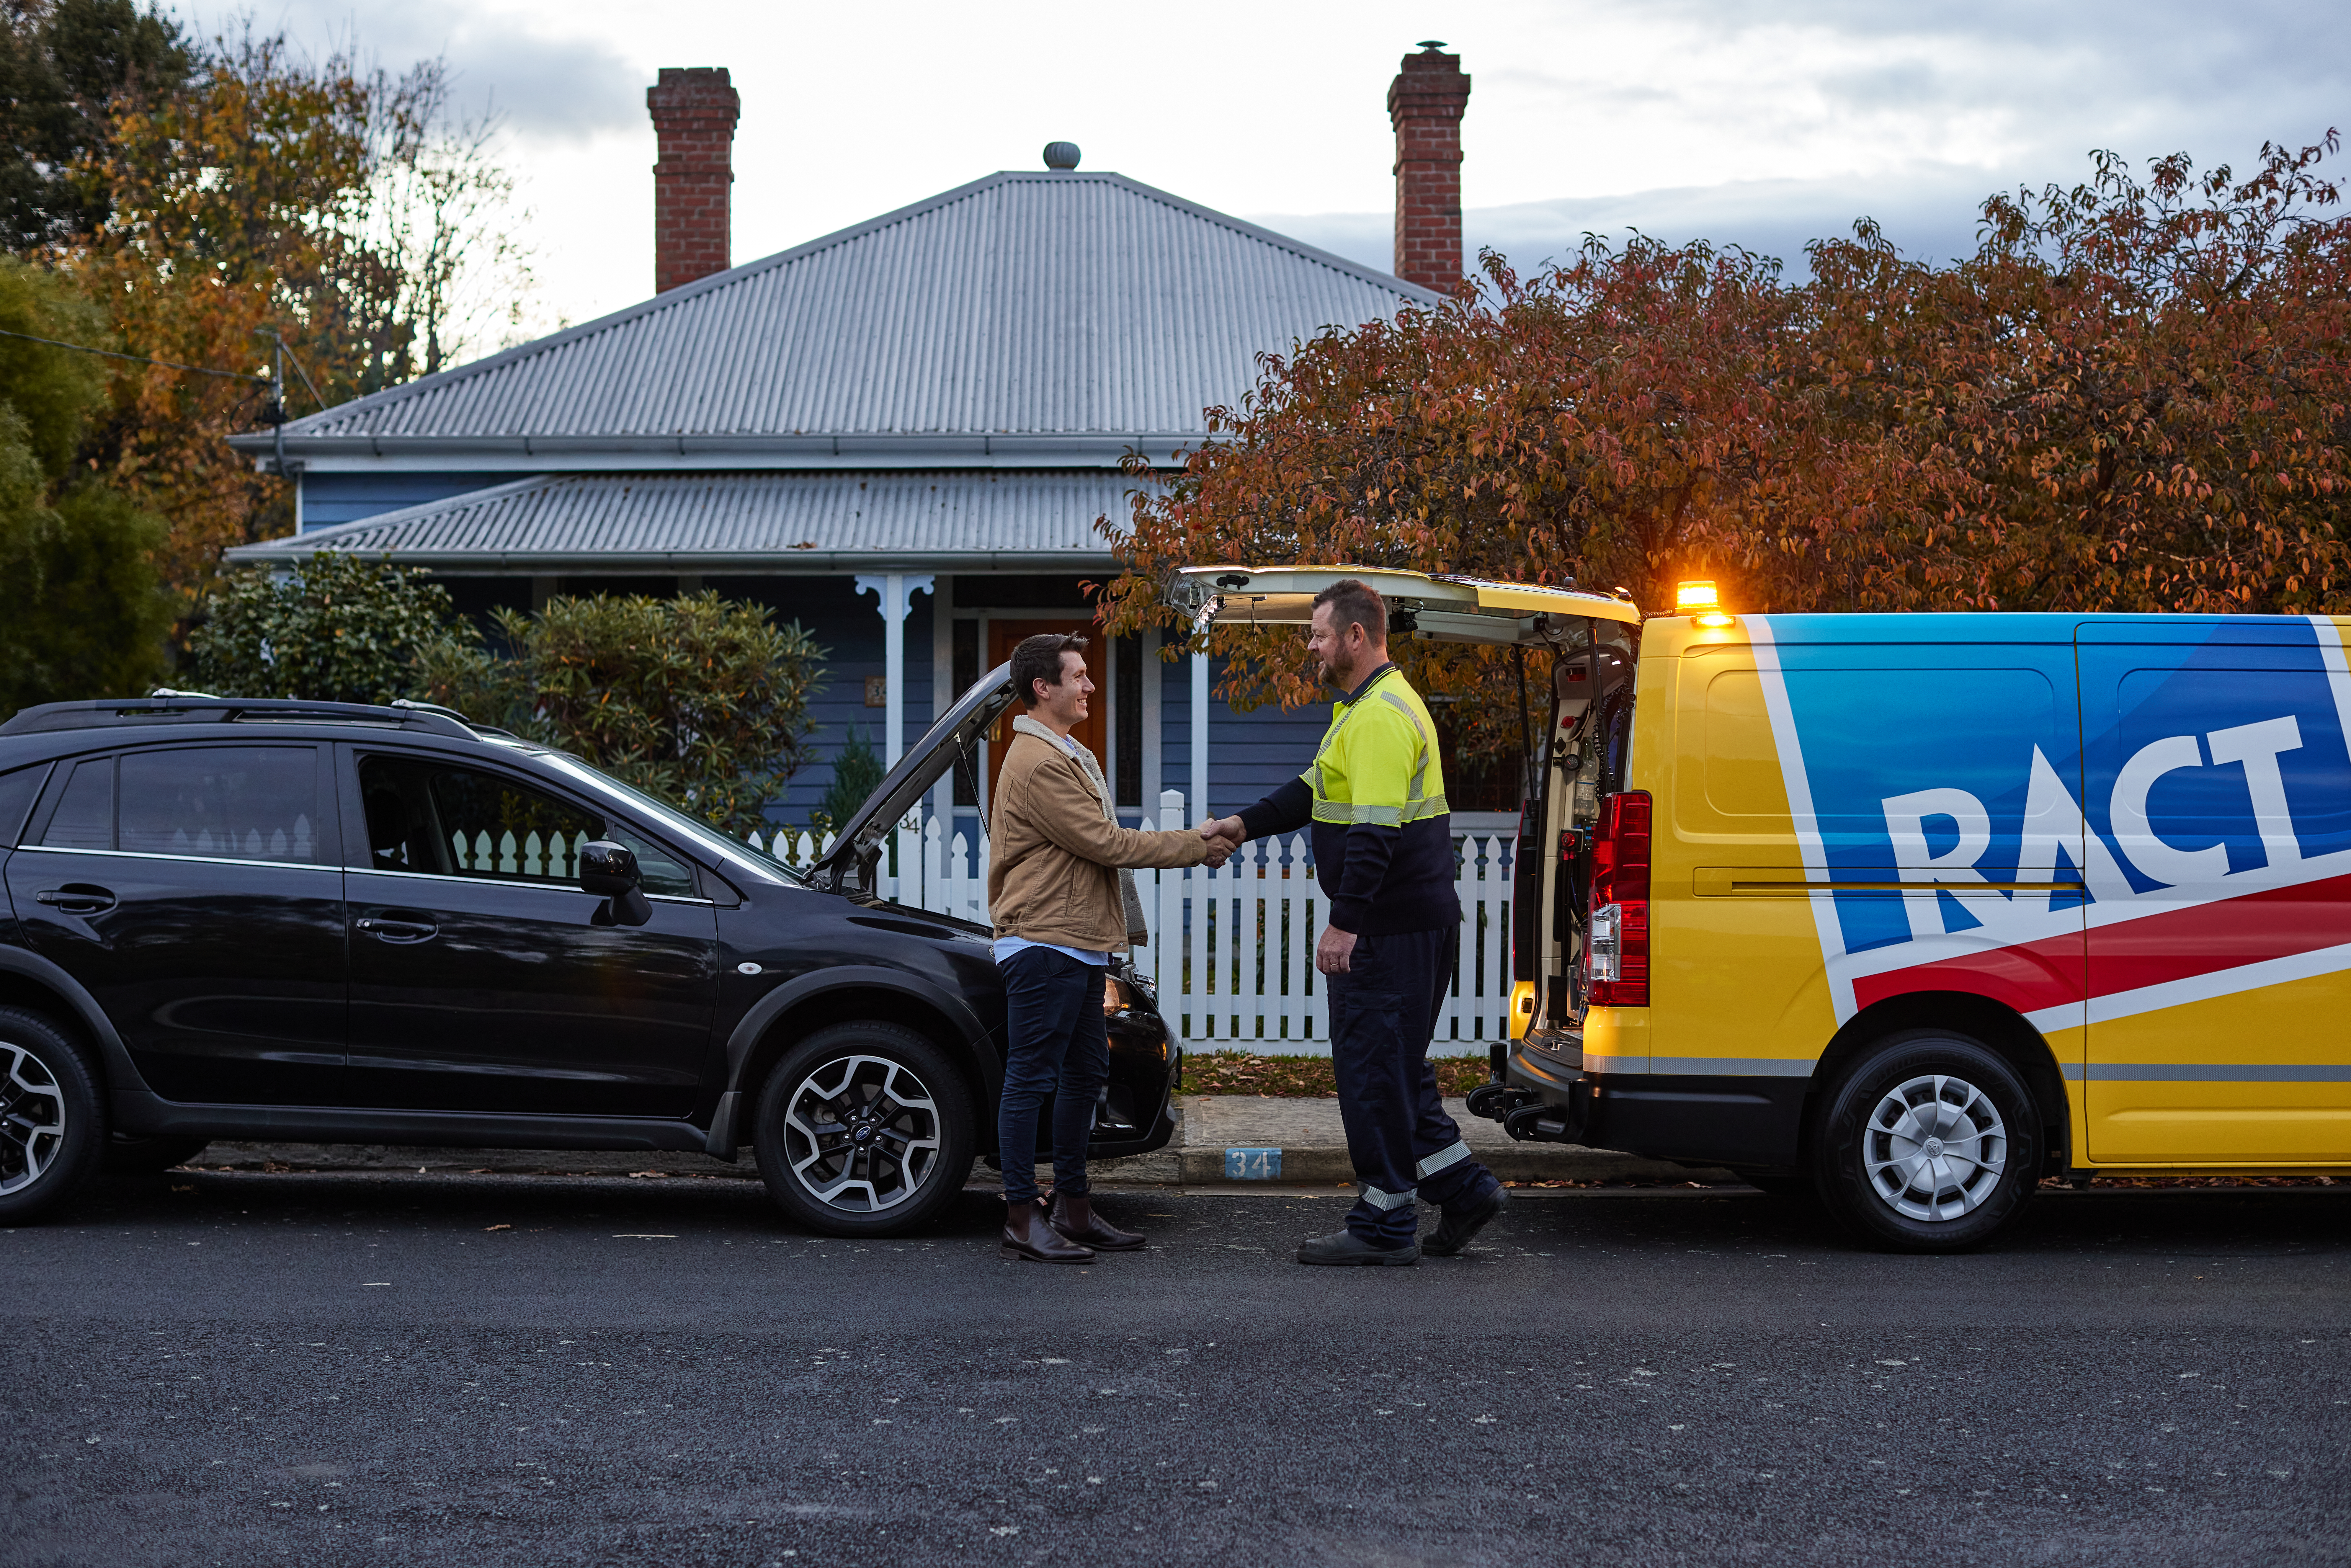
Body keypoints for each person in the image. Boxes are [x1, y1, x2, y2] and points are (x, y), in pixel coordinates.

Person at [1202, 580, 1507, 1265]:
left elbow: (1373, 834)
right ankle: (1462, 1189)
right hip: (1409, 925)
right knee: (1396, 1070)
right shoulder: (1370, 708)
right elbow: (1312, 791)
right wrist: (1241, 825)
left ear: (1355, 637)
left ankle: (1383, 1224)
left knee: (1372, 1070)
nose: (1309, 646)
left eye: (1316, 634)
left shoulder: (1376, 719)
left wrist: (1346, 925)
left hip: (1388, 930)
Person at [990, 632, 1228, 1263]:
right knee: (1031, 1078)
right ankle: (1021, 1214)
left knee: (1084, 1074)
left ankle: (1071, 1207)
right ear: (1044, 688)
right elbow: (1108, 844)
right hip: (1044, 941)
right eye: (1078, 676)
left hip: (1074, 943)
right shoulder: (1038, 762)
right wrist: (1195, 843)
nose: (1089, 686)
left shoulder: (1065, 752)